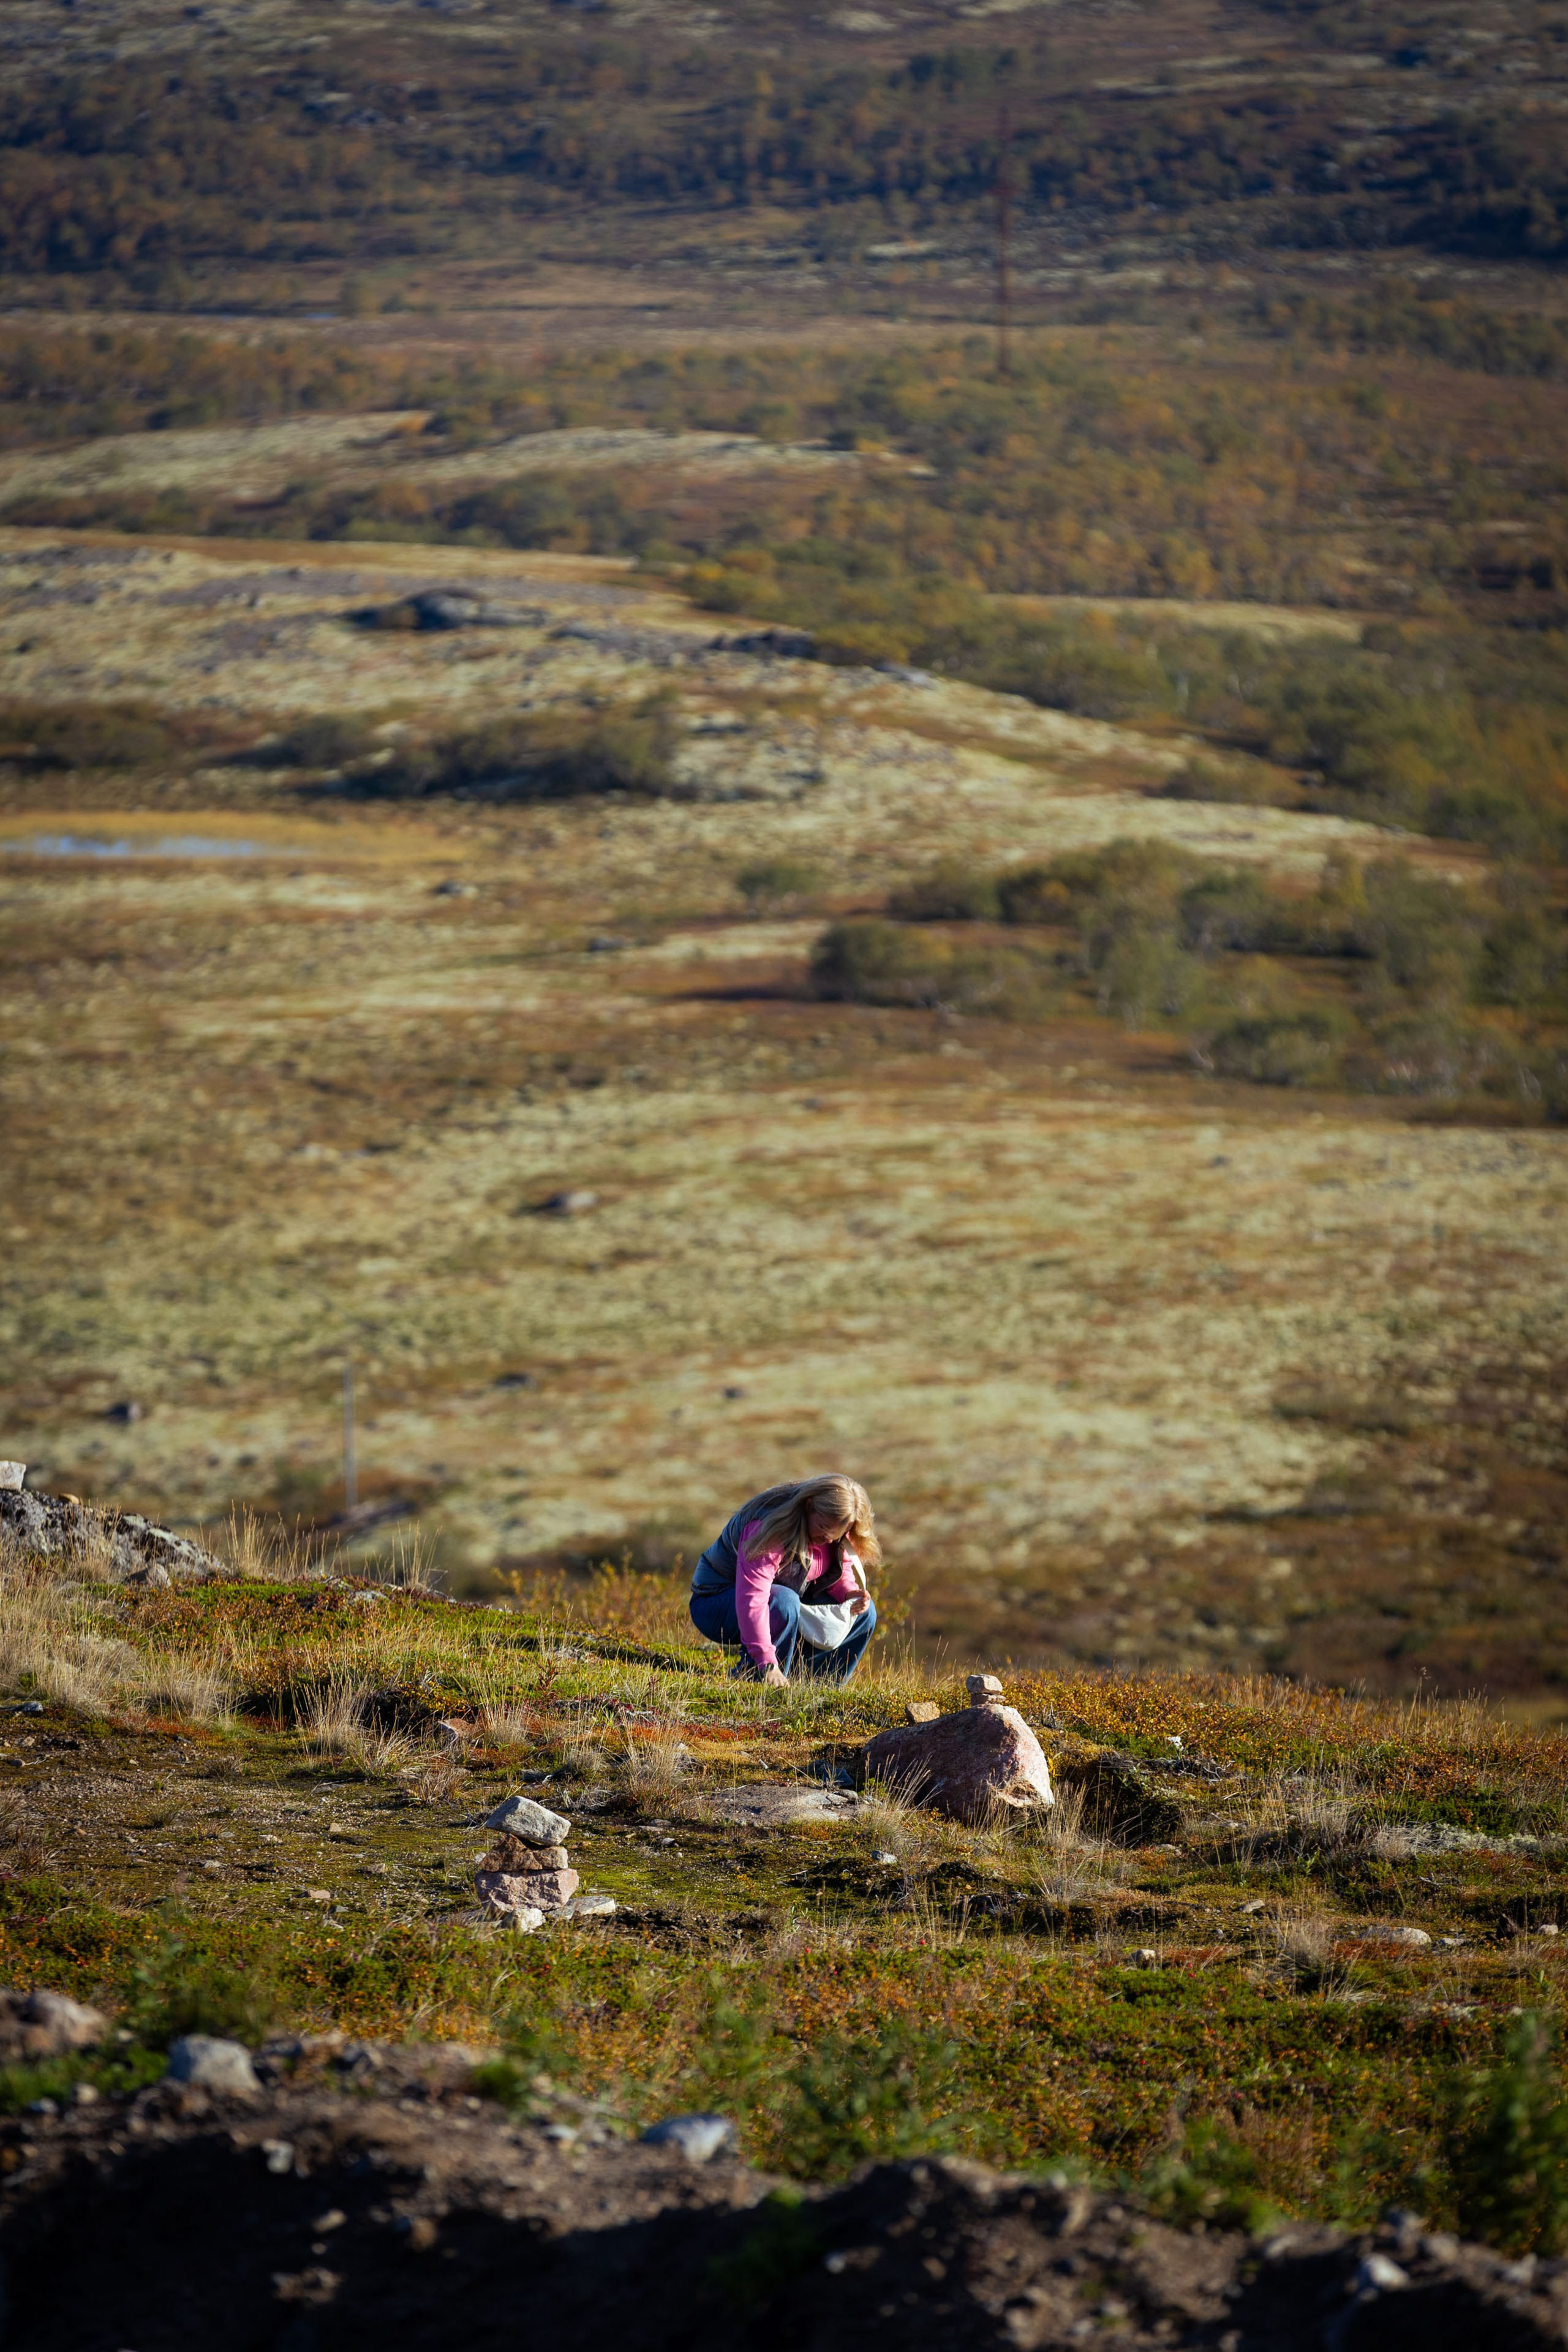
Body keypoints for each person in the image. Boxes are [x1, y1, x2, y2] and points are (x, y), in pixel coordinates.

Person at [688, 1473, 880, 1686]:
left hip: (781, 1603)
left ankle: (815, 1688)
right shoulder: (769, 1529)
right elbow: (754, 1599)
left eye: (837, 1533)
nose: (828, 1538)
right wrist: (767, 1662)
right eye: (824, 1527)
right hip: (716, 1603)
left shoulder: (835, 1528)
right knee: (784, 1600)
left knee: (864, 1611)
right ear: (809, 1507)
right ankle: (756, 1678)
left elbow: (838, 1570)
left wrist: (849, 1593)